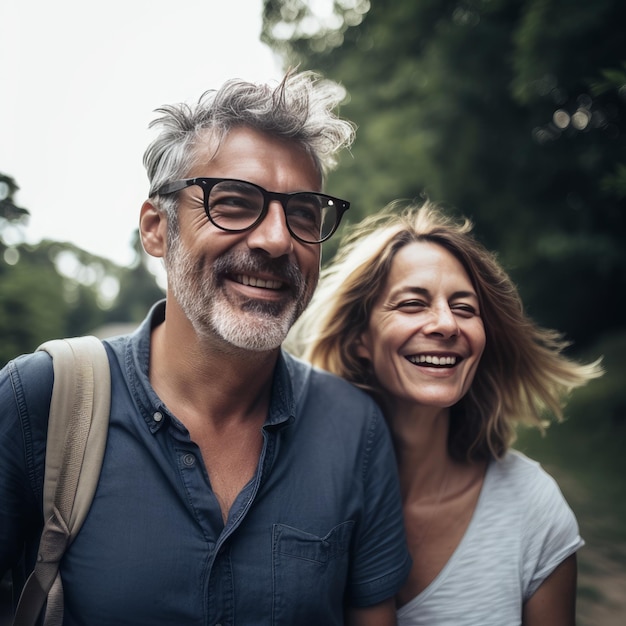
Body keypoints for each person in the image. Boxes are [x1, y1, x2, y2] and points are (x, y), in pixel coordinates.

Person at [0, 72, 411, 625]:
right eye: (235, 203)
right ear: (156, 229)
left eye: (304, 214)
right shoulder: (41, 400)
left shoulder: (355, 428)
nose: (276, 239)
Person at [290, 201, 603, 626]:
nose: (446, 324)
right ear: (359, 338)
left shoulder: (532, 506)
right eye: (413, 304)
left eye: (465, 308)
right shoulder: (295, 489)